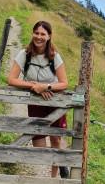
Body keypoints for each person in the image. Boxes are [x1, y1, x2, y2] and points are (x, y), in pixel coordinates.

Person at [8, 20, 69, 178]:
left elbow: (64, 83)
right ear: (32, 34)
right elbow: (12, 79)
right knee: (38, 145)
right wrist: (33, 86)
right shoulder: (25, 54)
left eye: (43, 34)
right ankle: (61, 159)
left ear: (49, 36)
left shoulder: (54, 57)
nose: (39, 37)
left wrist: (46, 87)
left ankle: (54, 178)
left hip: (54, 101)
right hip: (35, 102)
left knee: (56, 140)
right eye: (36, 33)